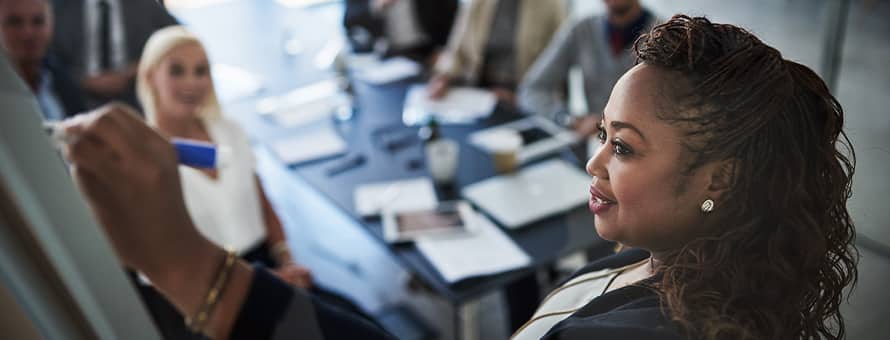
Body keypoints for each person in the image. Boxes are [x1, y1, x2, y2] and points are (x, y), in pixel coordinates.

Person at [61, 15, 858, 340]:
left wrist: (187, 263)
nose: (594, 161)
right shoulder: (671, 258)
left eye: (624, 146)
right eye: (604, 136)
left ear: (715, 178)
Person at [133, 26, 378, 337]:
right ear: (150, 76)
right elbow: (162, 272)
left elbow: (262, 202)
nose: (191, 82)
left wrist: (286, 261)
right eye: (177, 71)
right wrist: (261, 289)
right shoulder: (143, 160)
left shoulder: (229, 132)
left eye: (201, 71)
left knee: (357, 324)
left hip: (263, 268)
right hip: (205, 300)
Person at [518, 0, 657, 137]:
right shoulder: (582, 29)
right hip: (592, 145)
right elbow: (532, 90)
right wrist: (568, 119)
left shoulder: (665, 39)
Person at [428, 0, 566, 104]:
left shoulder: (551, 5)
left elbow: (559, 70)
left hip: (520, 95)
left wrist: (521, 98)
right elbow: (456, 51)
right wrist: (443, 78)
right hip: (479, 91)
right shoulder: (477, 3)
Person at [51, 0, 177, 110]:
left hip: (132, 98)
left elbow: (179, 38)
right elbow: (50, 56)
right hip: (75, 98)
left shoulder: (143, 5)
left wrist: (135, 69)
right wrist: (82, 81)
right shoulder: (61, 7)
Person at [0, 0, 86, 120]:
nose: (28, 33)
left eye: (38, 21)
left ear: (52, 25)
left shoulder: (63, 82)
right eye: (15, 22)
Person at [343, 0, 458, 64]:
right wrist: (376, 5)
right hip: (384, 54)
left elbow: (453, 17)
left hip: (427, 51)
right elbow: (349, 20)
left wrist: (445, 50)